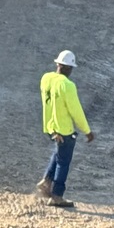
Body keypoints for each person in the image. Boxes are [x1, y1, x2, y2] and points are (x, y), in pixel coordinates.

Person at [36, 50, 94, 208]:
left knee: (58, 153)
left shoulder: (46, 78)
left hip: (50, 127)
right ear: (69, 68)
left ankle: (46, 182)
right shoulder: (67, 85)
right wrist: (87, 131)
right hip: (64, 130)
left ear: (57, 64)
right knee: (64, 161)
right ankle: (57, 196)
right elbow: (76, 110)